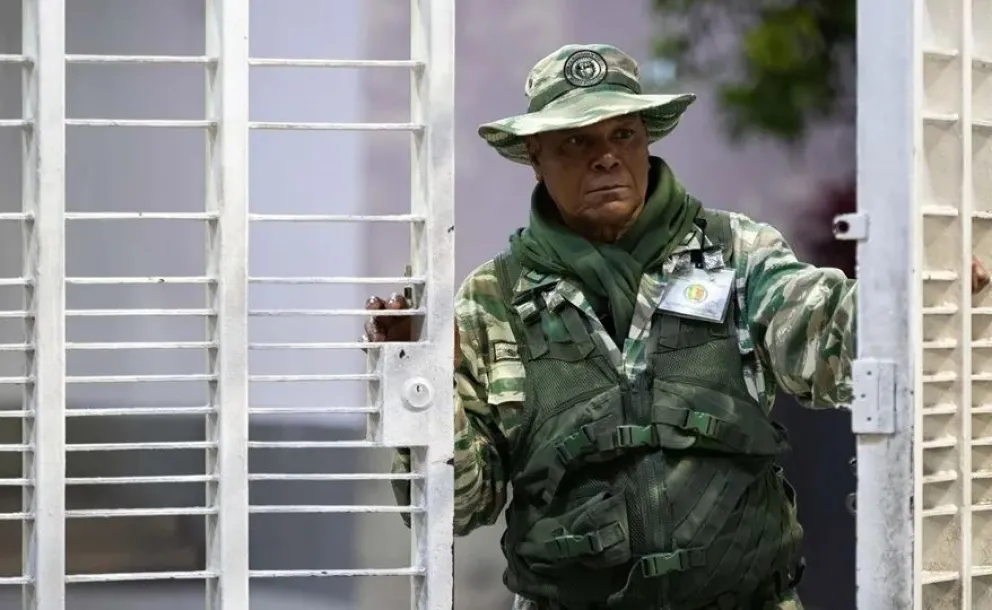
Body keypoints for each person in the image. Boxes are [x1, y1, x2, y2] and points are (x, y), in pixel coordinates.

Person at [363, 44, 992, 610]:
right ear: (535, 156)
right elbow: (457, 507)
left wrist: (909, 297)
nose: (607, 157)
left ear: (646, 141)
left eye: (624, 134)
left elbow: (820, 335)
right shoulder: (490, 302)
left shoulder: (736, 252)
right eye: (576, 142)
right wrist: (420, 381)